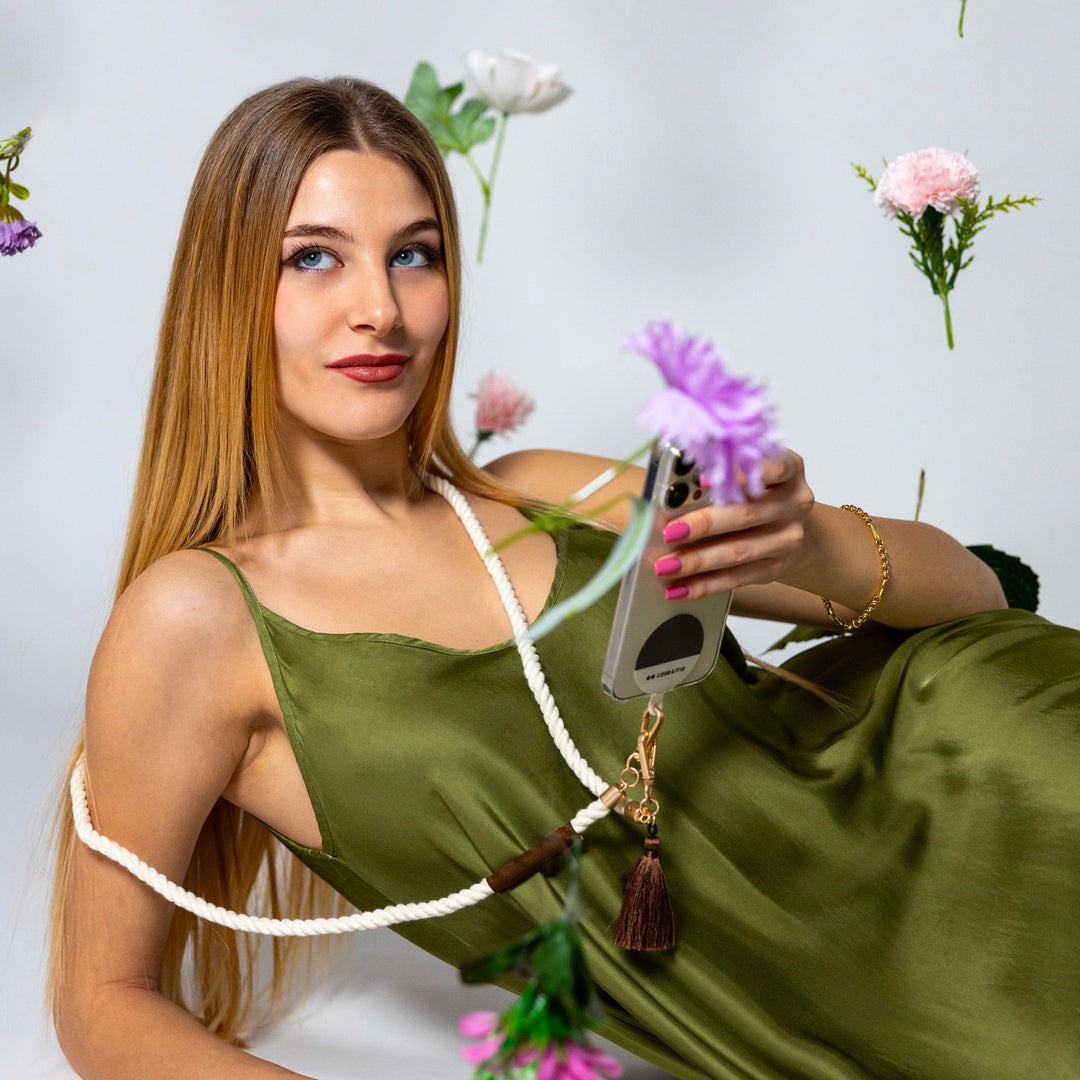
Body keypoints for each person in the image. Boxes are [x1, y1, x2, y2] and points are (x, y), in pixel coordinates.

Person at [49, 76, 1079, 1080]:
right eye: (313, 257)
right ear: (227, 286)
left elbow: (978, 605)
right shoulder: (196, 621)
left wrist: (810, 543)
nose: (380, 309)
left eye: (414, 255)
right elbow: (104, 1005)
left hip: (991, 791)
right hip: (903, 1004)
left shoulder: (545, 489)